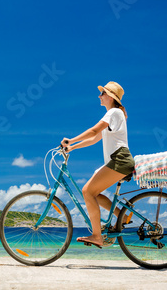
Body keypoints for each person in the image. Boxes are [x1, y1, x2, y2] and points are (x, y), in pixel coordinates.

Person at [61, 81, 135, 248]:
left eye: (102, 93)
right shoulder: (115, 115)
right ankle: (122, 216)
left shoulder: (114, 113)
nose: (99, 96)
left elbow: (93, 130)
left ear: (109, 97)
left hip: (119, 160)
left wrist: (70, 139)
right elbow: (94, 138)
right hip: (117, 161)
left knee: (88, 191)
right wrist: (72, 147)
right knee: (92, 193)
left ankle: (97, 236)